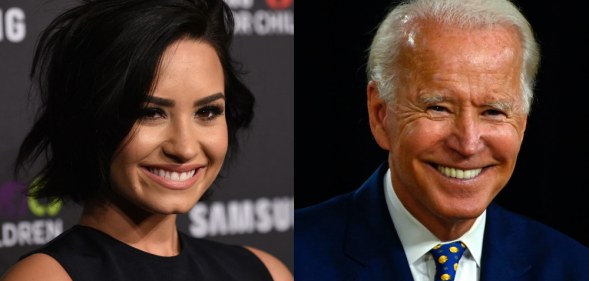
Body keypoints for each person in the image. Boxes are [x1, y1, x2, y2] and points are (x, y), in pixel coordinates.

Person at [294, 0, 589, 280]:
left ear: (522, 124)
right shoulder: (290, 260)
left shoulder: (573, 268)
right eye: (438, 108)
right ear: (380, 115)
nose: (468, 144)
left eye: (493, 111)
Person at [0, 0, 293, 280]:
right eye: (151, 113)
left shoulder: (266, 273)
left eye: (207, 111)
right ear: (89, 119)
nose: (185, 148)